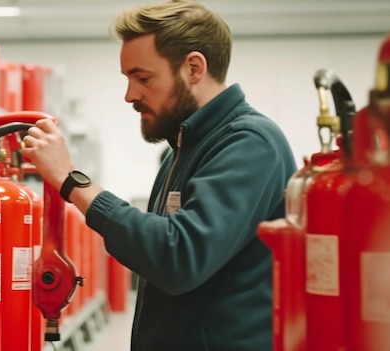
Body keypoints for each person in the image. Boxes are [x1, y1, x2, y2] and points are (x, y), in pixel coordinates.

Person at [21, 0, 297, 350]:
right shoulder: (180, 150)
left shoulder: (250, 144)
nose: (130, 95)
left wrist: (71, 181)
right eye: (128, 78)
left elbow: (177, 257)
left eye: (143, 77)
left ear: (194, 68)